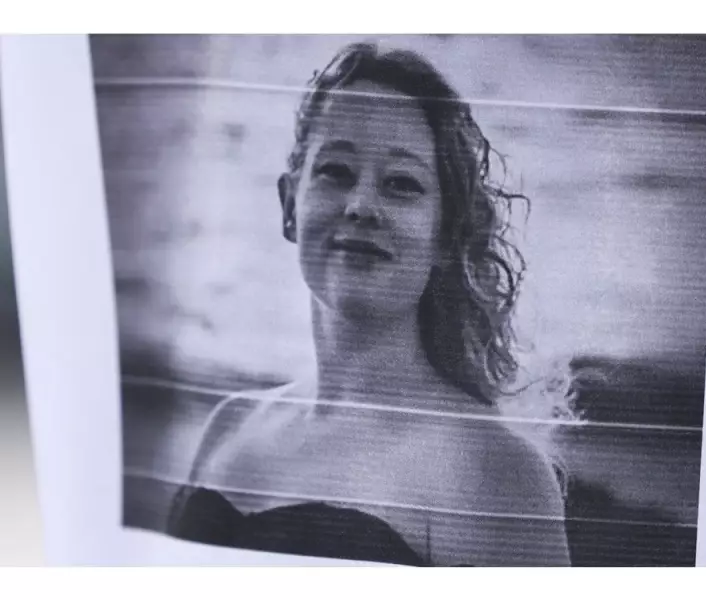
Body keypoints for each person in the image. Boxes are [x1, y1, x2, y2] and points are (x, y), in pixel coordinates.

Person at [167, 41, 574, 567]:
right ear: (289, 206)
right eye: (336, 171)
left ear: (446, 236)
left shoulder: (493, 471)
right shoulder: (229, 425)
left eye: (401, 184)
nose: (361, 205)